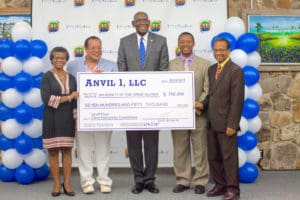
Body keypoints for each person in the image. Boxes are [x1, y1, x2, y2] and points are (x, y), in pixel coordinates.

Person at [117, 11, 169, 194]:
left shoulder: (161, 41)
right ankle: (138, 179)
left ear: (150, 22)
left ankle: (150, 180)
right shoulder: (124, 42)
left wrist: (152, 92)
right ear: (133, 23)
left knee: (151, 143)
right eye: (138, 20)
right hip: (131, 103)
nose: (142, 22)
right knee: (133, 143)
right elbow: (121, 70)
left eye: (144, 20)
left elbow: (163, 70)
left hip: (152, 103)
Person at [67, 36, 118, 194]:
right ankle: (87, 181)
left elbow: (118, 90)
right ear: (86, 49)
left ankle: (104, 180)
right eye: (93, 48)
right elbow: (70, 89)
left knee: (103, 149)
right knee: (83, 150)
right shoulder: (73, 65)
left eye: (99, 47)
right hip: (82, 115)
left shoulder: (111, 66)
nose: (97, 51)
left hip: (104, 114)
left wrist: (103, 82)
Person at [199, 38, 244, 200]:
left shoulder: (235, 71)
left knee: (228, 158)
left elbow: (237, 100)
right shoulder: (211, 70)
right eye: (216, 50)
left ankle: (233, 190)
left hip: (227, 124)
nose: (218, 53)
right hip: (211, 122)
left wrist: (232, 124)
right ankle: (220, 185)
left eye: (222, 50)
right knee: (213, 157)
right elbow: (211, 96)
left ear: (228, 51)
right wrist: (201, 105)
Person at [168, 32, 210, 194]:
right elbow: (166, 88)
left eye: (188, 41)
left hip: (197, 113)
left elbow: (208, 88)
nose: (185, 44)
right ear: (178, 44)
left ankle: (200, 180)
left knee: (200, 149)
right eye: (182, 41)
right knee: (180, 149)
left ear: (193, 44)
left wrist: (199, 103)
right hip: (177, 115)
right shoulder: (171, 65)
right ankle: (183, 180)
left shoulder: (205, 64)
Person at [40, 46, 78, 197]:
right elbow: (47, 99)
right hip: (51, 118)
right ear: (52, 59)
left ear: (66, 59)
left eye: (62, 58)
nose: (59, 60)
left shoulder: (72, 78)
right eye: (56, 57)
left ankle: (67, 182)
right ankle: (56, 183)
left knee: (67, 151)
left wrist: (76, 120)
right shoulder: (46, 77)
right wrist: (69, 97)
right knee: (53, 151)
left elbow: (75, 103)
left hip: (68, 118)